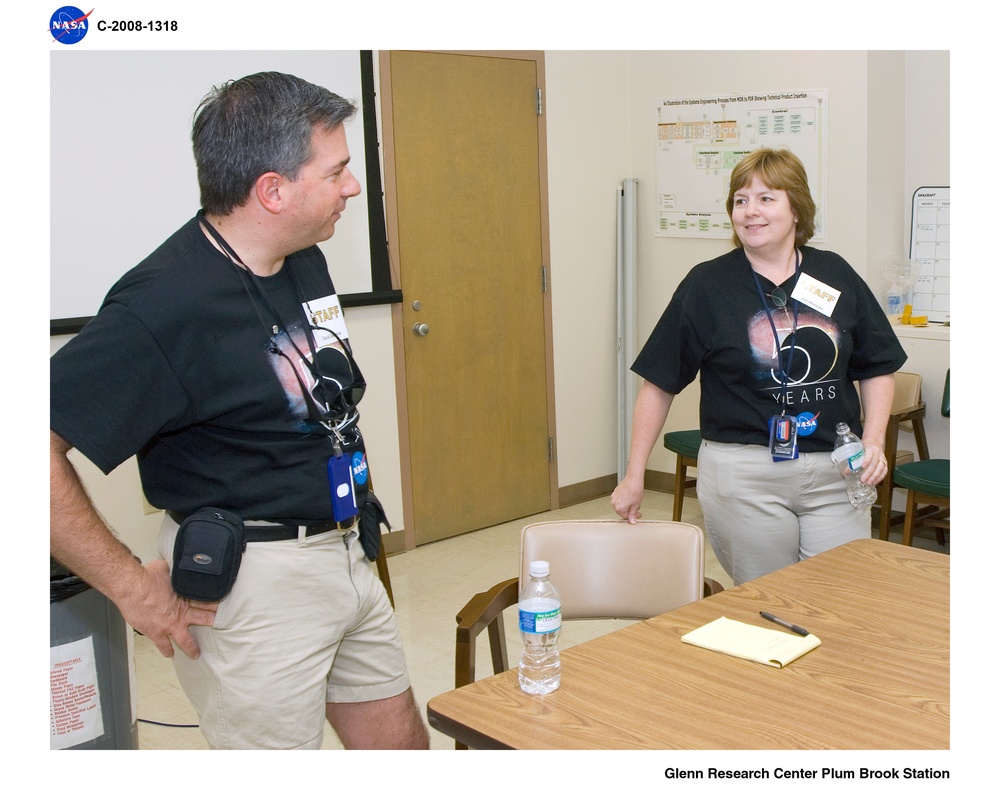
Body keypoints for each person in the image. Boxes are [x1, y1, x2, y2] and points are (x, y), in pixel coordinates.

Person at [50, 72, 429, 750]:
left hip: (345, 551)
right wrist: (130, 588)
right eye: (337, 170)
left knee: (401, 748)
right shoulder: (162, 306)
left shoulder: (303, 258)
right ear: (272, 190)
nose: (351, 186)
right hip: (254, 588)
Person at [611, 147, 906, 585]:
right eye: (740, 200)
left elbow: (876, 365)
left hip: (836, 470)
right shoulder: (707, 285)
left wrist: (875, 441)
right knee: (769, 602)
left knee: (843, 595)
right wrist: (634, 475)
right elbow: (659, 382)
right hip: (745, 475)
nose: (750, 212)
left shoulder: (835, 274)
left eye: (766, 198)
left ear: (797, 208)